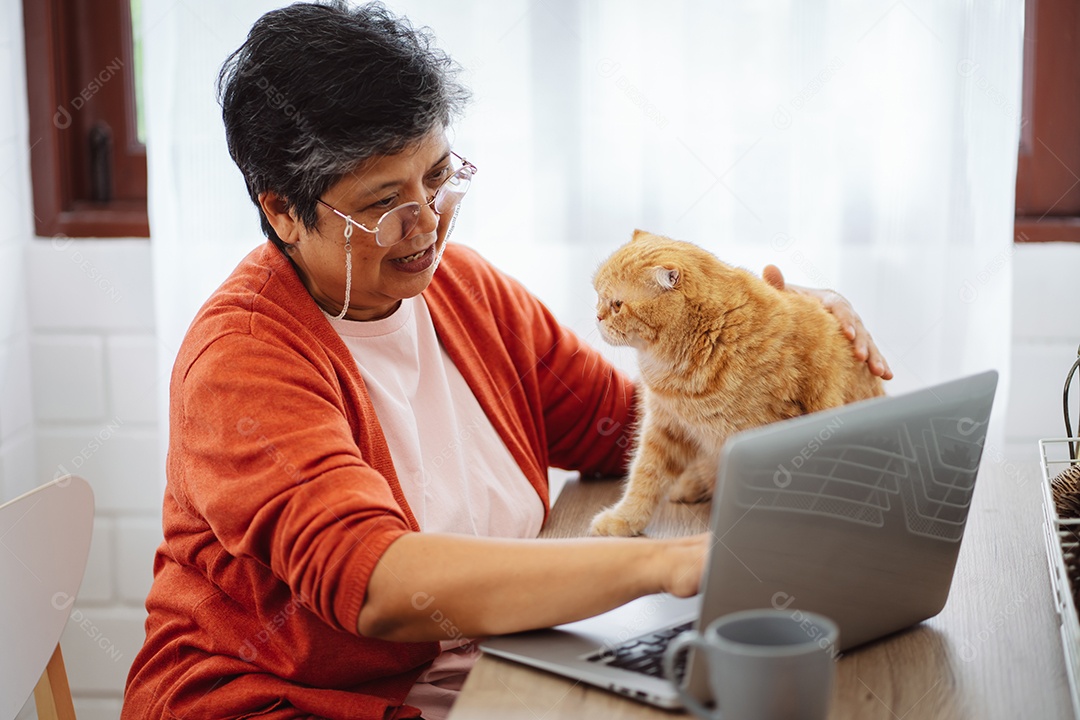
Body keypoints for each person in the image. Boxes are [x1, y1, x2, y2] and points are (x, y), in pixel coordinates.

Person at [121, 3, 892, 719]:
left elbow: (630, 427)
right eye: (384, 203)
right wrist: (666, 566)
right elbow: (380, 586)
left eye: (437, 176)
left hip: (482, 680)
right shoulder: (242, 361)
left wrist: (786, 344)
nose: (426, 226)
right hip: (284, 704)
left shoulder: (463, 290)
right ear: (282, 208)